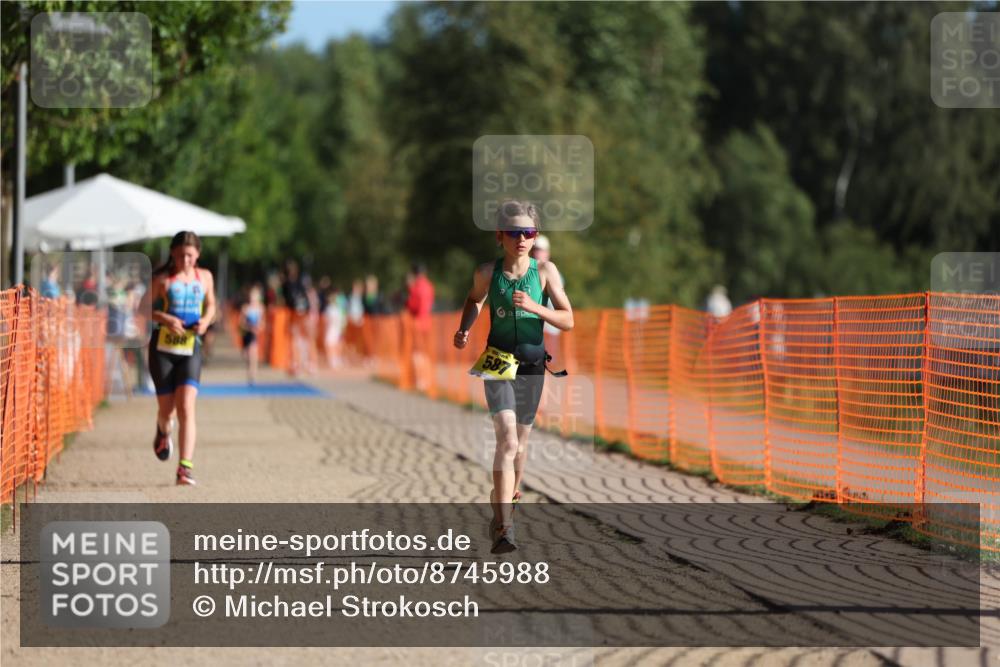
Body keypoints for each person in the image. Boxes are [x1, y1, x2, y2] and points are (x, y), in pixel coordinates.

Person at [453, 201, 573, 553]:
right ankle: (505, 528)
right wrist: (464, 329)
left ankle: (504, 500)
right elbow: (474, 300)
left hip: (533, 366)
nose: (523, 239)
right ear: (500, 236)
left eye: (529, 232)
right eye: (515, 233)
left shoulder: (546, 273)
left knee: (520, 446)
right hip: (498, 362)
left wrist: (537, 307)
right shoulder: (487, 273)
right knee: (506, 441)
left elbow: (568, 319)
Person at [146, 231, 216, 486]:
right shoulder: (162, 279)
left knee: (186, 406)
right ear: (173, 254)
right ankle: (163, 429)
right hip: (162, 350)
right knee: (168, 410)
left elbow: (212, 305)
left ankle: (184, 468)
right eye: (180, 255)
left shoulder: (205, 277)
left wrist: (206, 321)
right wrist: (165, 318)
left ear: (197, 255)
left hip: (190, 348)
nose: (185, 260)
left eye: (190, 255)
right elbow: (142, 309)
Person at [406, 264, 435, 391]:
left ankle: (419, 381)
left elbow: (413, 305)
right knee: (424, 352)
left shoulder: (416, 287)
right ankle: (427, 379)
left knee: (417, 352)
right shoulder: (429, 286)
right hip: (427, 321)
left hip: (417, 322)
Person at [240, 284, 265, 385]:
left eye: (256, 296)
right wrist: (248, 326)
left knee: (253, 355)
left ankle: (253, 376)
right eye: (252, 296)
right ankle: (249, 371)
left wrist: (258, 327)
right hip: (246, 334)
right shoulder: (245, 308)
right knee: (247, 356)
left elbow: (263, 323)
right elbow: (241, 323)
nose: (254, 298)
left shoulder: (261, 308)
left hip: (254, 335)